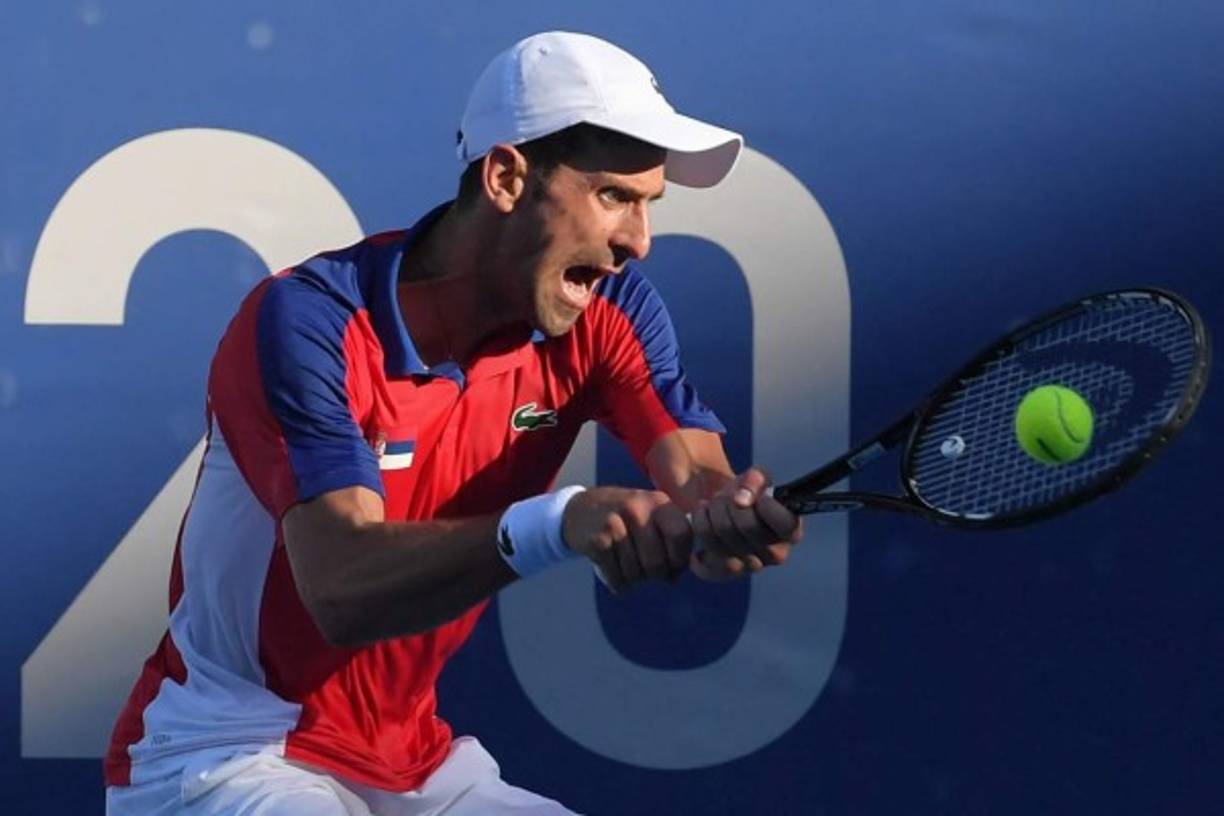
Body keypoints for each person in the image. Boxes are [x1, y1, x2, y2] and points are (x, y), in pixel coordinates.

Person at [104, 30, 802, 815]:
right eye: (614, 196)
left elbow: (697, 474)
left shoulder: (610, 311)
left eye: (650, 206)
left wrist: (724, 518)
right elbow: (342, 588)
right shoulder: (310, 324)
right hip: (223, 753)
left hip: (416, 767)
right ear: (506, 178)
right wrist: (559, 523)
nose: (638, 241)